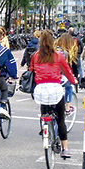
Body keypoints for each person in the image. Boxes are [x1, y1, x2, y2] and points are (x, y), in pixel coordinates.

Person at [31, 30, 77, 159]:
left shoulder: (35, 56)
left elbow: (31, 69)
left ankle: (44, 128)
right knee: (60, 119)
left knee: (44, 112)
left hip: (40, 89)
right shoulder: (58, 56)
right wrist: (74, 81)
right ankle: (65, 149)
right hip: (55, 89)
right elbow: (67, 72)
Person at [56, 33, 79, 114]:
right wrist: (75, 77)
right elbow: (73, 68)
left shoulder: (54, 50)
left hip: (52, 76)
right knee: (69, 87)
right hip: (62, 77)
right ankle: (67, 107)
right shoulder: (68, 53)